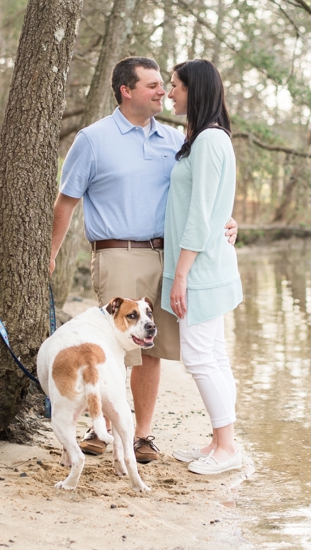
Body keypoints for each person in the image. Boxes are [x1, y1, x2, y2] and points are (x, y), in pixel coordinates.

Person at [49, 56, 236, 464]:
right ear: (126, 91)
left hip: (168, 256)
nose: (162, 92)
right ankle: (99, 428)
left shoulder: (176, 140)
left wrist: (227, 218)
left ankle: (142, 436)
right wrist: (50, 254)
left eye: (165, 85)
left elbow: (201, 192)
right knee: (113, 347)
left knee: (149, 348)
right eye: (152, 85)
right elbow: (66, 201)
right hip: (118, 253)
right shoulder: (93, 139)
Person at [163, 59, 244, 475]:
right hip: (204, 263)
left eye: (175, 85)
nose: (169, 92)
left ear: (194, 90)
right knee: (213, 354)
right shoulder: (201, 138)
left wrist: (181, 273)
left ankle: (228, 448)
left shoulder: (211, 140)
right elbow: (213, 208)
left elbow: (201, 213)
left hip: (201, 269)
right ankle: (220, 440)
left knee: (198, 358)